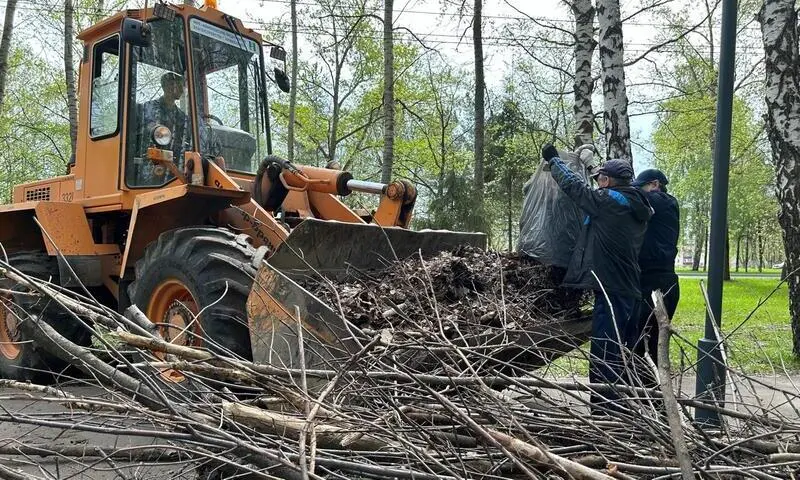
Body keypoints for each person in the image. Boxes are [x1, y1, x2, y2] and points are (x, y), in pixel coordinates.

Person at [541, 144, 652, 413]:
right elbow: (599, 190)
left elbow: (576, 190)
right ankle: (622, 409)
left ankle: (605, 413)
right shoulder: (635, 202)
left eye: (602, 178)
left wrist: (555, 160)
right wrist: (591, 167)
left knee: (604, 355)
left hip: (612, 289)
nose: (599, 183)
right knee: (620, 353)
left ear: (608, 182)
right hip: (628, 289)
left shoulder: (608, 202)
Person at [632, 169, 680, 387]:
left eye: (639, 187)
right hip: (660, 281)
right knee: (648, 342)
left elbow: (630, 198)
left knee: (646, 343)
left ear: (654, 184)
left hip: (656, 284)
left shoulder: (661, 201)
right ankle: (650, 396)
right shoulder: (662, 203)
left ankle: (652, 399)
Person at [141, 71, 187, 160]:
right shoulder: (148, 108)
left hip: (174, 164)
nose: (182, 90)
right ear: (168, 87)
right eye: (179, 86)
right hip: (151, 161)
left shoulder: (182, 117)